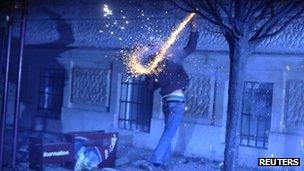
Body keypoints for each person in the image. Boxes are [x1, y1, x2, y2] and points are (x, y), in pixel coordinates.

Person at [145, 19, 198, 170]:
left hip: (166, 102)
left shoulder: (154, 67)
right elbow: (191, 48)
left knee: (167, 131)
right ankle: (156, 160)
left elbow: (150, 87)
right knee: (169, 133)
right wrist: (194, 29)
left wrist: (147, 75)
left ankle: (165, 163)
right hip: (177, 102)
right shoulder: (172, 58)